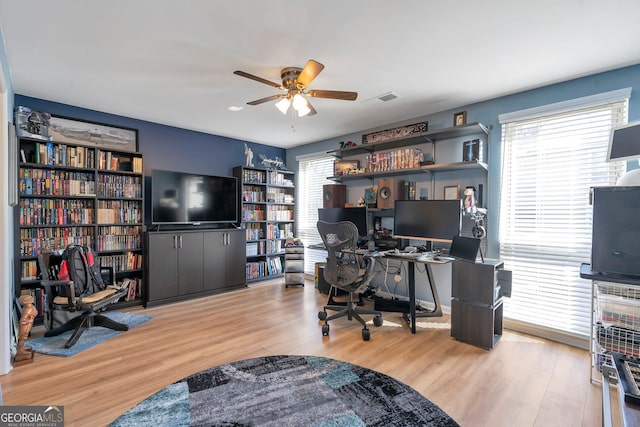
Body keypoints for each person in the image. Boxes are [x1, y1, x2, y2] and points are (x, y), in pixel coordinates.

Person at [15, 294, 38, 362]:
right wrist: (30, 319)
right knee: (23, 337)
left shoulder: (31, 307)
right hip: (25, 326)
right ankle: (20, 351)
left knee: (25, 336)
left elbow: (35, 312)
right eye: (29, 299)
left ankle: (22, 348)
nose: (32, 299)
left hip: (29, 324)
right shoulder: (27, 309)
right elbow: (23, 320)